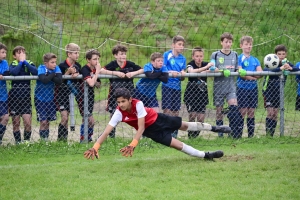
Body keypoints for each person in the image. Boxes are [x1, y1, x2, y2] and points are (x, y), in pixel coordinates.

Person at [84, 88, 231, 160]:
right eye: (118, 102)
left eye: (123, 101)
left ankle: (214, 128)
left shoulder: (138, 104)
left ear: (130, 99)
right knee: (177, 145)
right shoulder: (118, 113)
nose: (121, 104)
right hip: (152, 131)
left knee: (185, 126)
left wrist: (133, 144)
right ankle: (206, 155)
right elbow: (106, 131)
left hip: (159, 119)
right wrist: (95, 147)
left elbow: (140, 126)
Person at [101, 44, 144, 138]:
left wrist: (133, 73)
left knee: (135, 113)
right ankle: (112, 137)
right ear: (115, 55)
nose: (123, 56)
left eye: (124, 54)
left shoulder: (130, 64)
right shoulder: (112, 65)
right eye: (121, 54)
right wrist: (115, 73)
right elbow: (101, 70)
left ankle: (140, 134)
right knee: (113, 114)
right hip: (114, 94)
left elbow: (142, 69)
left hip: (129, 93)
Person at [210, 32, 244, 139]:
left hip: (231, 87)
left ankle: (232, 132)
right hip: (218, 86)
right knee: (219, 111)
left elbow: (237, 67)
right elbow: (212, 68)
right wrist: (221, 70)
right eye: (226, 42)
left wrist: (240, 70)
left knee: (234, 107)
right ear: (221, 42)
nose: (228, 44)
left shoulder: (235, 54)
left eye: (230, 42)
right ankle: (220, 134)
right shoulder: (215, 54)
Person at [262, 44, 298, 137]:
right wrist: (280, 69)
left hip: (279, 93)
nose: (281, 56)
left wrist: (291, 68)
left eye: (283, 54)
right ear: (275, 54)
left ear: (286, 54)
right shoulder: (271, 61)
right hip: (268, 92)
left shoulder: (286, 63)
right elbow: (266, 70)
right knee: (270, 112)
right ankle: (268, 135)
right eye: (279, 54)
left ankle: (272, 135)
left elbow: (296, 69)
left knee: (275, 114)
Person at [9, 46, 37, 143]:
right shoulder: (13, 64)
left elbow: (35, 71)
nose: (21, 55)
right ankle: (18, 142)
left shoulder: (28, 63)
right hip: (14, 98)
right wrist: (20, 62)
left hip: (25, 98)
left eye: (23, 53)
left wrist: (24, 62)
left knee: (28, 123)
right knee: (16, 122)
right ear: (14, 56)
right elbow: (14, 73)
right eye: (18, 53)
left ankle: (26, 142)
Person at [184, 47, 213, 138]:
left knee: (201, 118)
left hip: (202, 94)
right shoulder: (190, 64)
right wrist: (205, 69)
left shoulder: (205, 64)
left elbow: (215, 69)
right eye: (197, 56)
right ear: (193, 57)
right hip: (191, 93)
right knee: (192, 115)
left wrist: (209, 68)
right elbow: (191, 71)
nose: (199, 58)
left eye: (201, 56)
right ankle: (190, 135)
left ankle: (195, 137)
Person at [55, 43, 82, 141]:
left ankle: (64, 141)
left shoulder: (78, 65)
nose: (77, 55)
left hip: (71, 96)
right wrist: (67, 73)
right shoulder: (62, 66)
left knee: (67, 119)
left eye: (78, 53)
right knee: (64, 117)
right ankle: (60, 139)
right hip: (61, 94)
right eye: (75, 53)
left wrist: (78, 75)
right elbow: (59, 81)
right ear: (69, 54)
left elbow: (81, 80)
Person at [236, 36, 262, 138]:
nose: (248, 46)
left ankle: (251, 136)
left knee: (251, 112)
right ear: (241, 46)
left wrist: (251, 76)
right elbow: (241, 74)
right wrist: (252, 77)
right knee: (242, 111)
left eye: (250, 44)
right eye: (246, 44)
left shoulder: (255, 60)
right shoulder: (238, 58)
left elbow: (260, 73)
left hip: (253, 89)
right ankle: (238, 135)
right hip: (242, 88)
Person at [161, 35, 186, 138]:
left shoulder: (183, 58)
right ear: (173, 45)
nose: (181, 47)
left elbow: (183, 74)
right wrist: (171, 72)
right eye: (179, 44)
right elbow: (163, 68)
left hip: (177, 87)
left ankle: (174, 131)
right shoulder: (166, 55)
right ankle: (165, 131)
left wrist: (183, 74)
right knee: (167, 109)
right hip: (167, 86)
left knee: (176, 110)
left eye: (183, 45)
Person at [35, 53, 62, 140]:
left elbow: (59, 81)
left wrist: (50, 75)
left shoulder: (56, 68)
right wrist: (53, 75)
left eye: (55, 62)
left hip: (50, 99)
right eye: (52, 62)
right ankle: (43, 140)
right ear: (46, 63)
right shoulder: (41, 68)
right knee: (43, 121)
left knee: (47, 121)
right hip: (39, 98)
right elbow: (44, 80)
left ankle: (46, 139)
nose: (55, 64)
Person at [80, 49, 102, 142]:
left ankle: (87, 138)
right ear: (88, 60)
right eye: (94, 59)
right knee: (90, 120)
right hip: (82, 97)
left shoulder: (94, 70)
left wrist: (95, 76)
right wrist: (97, 72)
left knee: (87, 120)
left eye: (98, 59)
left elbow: (98, 84)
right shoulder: (85, 69)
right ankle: (84, 139)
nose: (97, 62)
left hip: (90, 96)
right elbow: (91, 84)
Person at [0, 43, 9, 145]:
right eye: (2, 52)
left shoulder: (4, 62)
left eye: (5, 52)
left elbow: (7, 73)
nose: (5, 54)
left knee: (5, 117)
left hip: (2, 96)